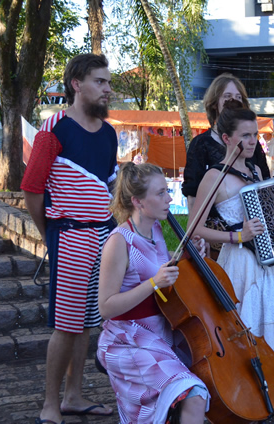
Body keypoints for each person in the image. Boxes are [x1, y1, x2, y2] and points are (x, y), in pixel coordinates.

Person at [21, 54, 117, 424]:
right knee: (66, 324)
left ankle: (74, 396)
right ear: (77, 84)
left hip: (103, 235)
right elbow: (32, 189)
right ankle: (50, 404)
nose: (107, 89)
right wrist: (50, 235)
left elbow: (110, 186)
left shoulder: (109, 133)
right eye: (100, 81)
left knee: (88, 320)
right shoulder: (54, 129)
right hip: (70, 235)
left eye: (108, 82)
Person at [189, 99, 274, 365]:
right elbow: (193, 228)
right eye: (245, 135)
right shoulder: (214, 176)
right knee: (245, 332)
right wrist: (237, 236)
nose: (253, 141)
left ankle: (271, 383)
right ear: (226, 138)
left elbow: (272, 218)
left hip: (269, 262)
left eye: (255, 134)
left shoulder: (256, 170)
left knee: (269, 332)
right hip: (240, 262)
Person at [97, 162, 209, 424]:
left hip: (161, 331)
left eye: (167, 191)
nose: (169, 198)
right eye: (160, 193)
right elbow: (106, 307)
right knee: (193, 393)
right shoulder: (119, 241)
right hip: (127, 338)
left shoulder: (155, 230)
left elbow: (159, 265)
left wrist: (188, 256)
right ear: (137, 201)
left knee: (207, 374)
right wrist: (153, 283)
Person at [181, 74, 270, 258]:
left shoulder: (253, 151)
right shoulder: (202, 144)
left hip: (255, 243)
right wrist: (200, 239)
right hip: (216, 237)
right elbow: (193, 195)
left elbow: (265, 188)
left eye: (238, 98)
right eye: (227, 97)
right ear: (215, 103)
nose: (233, 102)